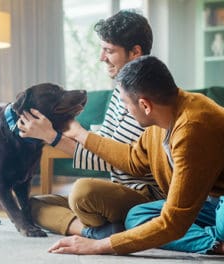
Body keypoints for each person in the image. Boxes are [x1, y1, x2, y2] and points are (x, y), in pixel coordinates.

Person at [19, 56, 224, 262]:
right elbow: (131, 158)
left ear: (145, 105)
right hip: (215, 201)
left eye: (127, 105)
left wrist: (102, 245)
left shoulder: (194, 127)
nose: (126, 112)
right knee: (137, 216)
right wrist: (80, 135)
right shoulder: (161, 121)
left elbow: (174, 222)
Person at [19, 10, 164, 239]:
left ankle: (103, 225)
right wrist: (62, 132)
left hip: (143, 197)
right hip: (114, 192)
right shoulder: (120, 91)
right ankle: (93, 231)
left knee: (83, 191)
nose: (101, 57)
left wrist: (54, 137)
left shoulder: (149, 100)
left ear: (135, 52)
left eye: (109, 50)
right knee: (31, 205)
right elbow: (102, 144)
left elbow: (111, 161)